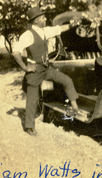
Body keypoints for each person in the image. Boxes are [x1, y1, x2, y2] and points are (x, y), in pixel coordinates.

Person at [13, 7, 80, 136]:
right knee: (32, 100)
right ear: (37, 20)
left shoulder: (45, 31)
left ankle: (75, 107)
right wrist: (25, 68)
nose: (45, 19)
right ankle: (29, 127)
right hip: (35, 70)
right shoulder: (27, 35)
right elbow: (16, 52)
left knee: (67, 80)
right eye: (43, 17)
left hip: (46, 68)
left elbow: (59, 29)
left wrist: (72, 24)